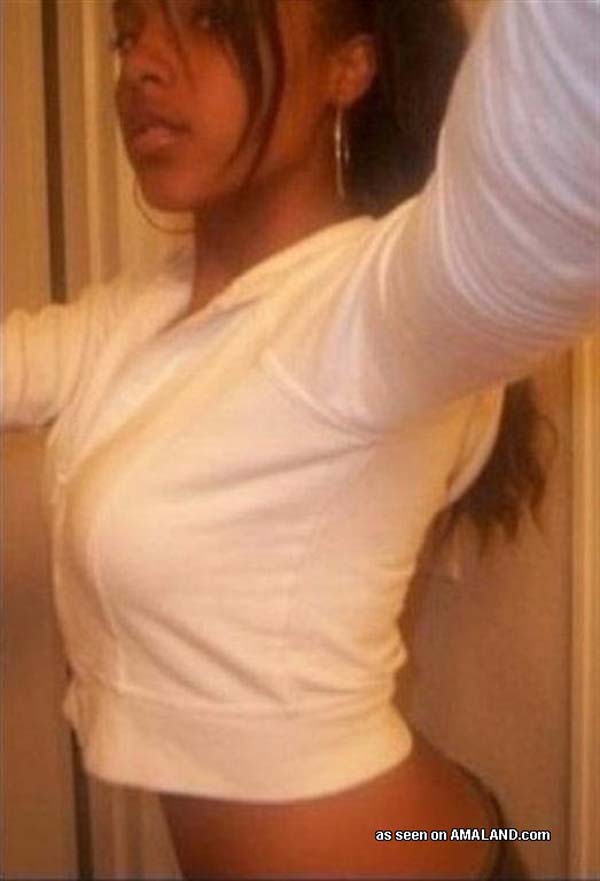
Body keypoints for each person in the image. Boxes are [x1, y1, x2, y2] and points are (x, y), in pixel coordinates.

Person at [2, 0, 598, 877]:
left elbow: (547, 208)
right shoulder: (139, 315)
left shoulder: (370, 312)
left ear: (347, 68)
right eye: (129, 33)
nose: (141, 66)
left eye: (211, 19)